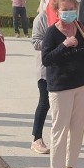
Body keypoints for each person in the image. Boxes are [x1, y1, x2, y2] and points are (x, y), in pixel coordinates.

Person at [41, 0, 84, 168]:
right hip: (60, 86)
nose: (69, 13)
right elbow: (46, 59)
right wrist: (64, 45)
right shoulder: (52, 33)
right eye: (65, 10)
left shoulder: (80, 27)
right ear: (57, 11)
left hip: (82, 83)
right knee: (60, 129)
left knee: (77, 129)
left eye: (72, 9)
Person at [29, 11, 51, 154]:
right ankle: (37, 138)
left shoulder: (71, 16)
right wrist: (56, 41)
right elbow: (36, 42)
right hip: (47, 70)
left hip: (67, 71)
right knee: (45, 102)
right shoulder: (42, 17)